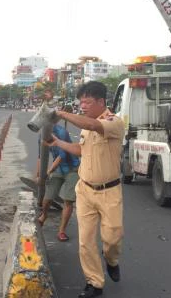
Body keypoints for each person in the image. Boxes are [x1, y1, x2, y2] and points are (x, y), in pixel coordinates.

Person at [44, 81, 125, 298]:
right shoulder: (85, 126)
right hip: (85, 190)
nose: (83, 106)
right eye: (81, 103)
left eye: (87, 102)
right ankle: (94, 283)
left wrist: (60, 113)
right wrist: (57, 142)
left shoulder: (113, 122)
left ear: (101, 102)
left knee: (112, 237)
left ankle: (111, 260)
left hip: (109, 191)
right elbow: (80, 150)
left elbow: (93, 126)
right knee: (85, 240)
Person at [38, 121, 80, 242]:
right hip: (59, 169)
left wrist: (48, 172)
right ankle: (44, 215)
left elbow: (62, 156)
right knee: (48, 197)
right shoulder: (41, 135)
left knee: (68, 200)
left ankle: (61, 231)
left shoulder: (62, 133)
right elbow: (40, 156)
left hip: (72, 168)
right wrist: (38, 174)